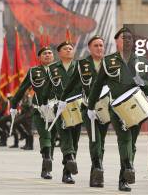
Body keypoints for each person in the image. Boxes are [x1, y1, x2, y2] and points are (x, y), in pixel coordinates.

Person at [87, 27, 148, 192]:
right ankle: (128, 168)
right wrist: (90, 106)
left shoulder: (142, 60)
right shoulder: (108, 61)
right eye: (123, 38)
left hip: (137, 108)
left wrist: (144, 83)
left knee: (132, 144)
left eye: (130, 38)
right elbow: (97, 85)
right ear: (116, 42)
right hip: (117, 108)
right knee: (124, 140)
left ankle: (123, 176)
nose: (127, 41)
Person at [58, 36, 109, 187]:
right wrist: (62, 100)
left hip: (105, 108)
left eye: (101, 45)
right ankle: (98, 170)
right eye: (96, 45)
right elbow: (71, 84)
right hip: (88, 108)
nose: (99, 48)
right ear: (89, 48)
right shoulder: (82, 65)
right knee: (94, 139)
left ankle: (95, 174)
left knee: (101, 142)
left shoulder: (110, 63)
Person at [10, 46, 57, 180]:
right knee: (45, 136)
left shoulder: (59, 70)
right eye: (44, 54)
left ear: (53, 56)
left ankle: (47, 163)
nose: (47, 55)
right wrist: (14, 104)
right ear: (40, 57)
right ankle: (46, 166)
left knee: (52, 139)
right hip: (39, 109)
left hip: (56, 109)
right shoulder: (33, 72)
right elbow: (22, 88)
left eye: (49, 53)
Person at [48, 41, 82, 184]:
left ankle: (67, 165)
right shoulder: (52, 69)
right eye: (65, 49)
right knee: (65, 136)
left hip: (77, 106)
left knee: (75, 139)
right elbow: (47, 89)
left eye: (70, 48)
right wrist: (48, 102)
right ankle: (69, 163)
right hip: (60, 108)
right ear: (59, 53)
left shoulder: (80, 67)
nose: (68, 50)